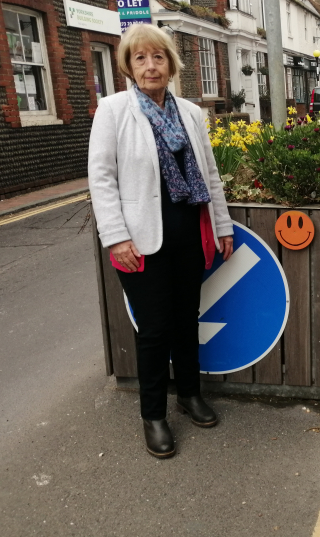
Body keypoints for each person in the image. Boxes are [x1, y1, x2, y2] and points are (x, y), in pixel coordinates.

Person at [88, 24, 234, 459]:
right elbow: (102, 178)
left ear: (170, 64)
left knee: (186, 318)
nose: (150, 66)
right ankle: (153, 415)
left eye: (158, 57)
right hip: (140, 239)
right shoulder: (113, 111)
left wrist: (222, 225)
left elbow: (209, 175)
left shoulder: (191, 113)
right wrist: (115, 238)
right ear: (128, 66)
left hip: (190, 231)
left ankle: (188, 395)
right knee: (154, 330)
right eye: (140, 58)